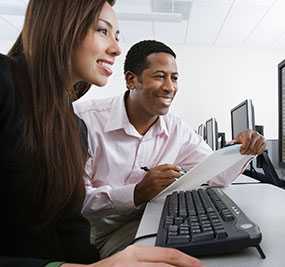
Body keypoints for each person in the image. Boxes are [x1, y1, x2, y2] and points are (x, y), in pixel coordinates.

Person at [0, 1, 203, 267]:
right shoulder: (5, 82)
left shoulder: (72, 126)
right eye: (102, 31)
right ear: (61, 25)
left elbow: (69, 229)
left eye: (116, 36)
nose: (117, 49)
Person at [73, 40, 267, 257]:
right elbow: (74, 200)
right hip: (98, 233)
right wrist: (136, 193)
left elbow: (217, 177)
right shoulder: (85, 119)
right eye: (159, 76)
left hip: (150, 218)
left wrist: (241, 150)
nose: (169, 87)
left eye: (174, 78)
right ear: (131, 80)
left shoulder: (176, 128)